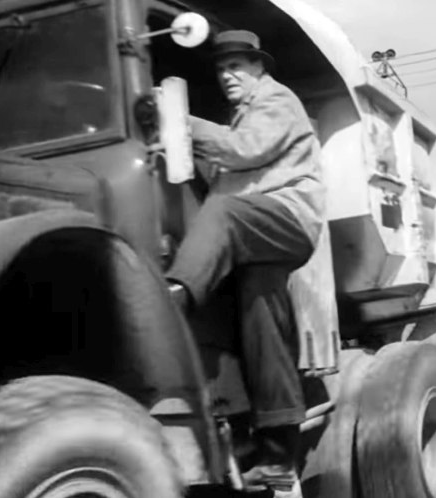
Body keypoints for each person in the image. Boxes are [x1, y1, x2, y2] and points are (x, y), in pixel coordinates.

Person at [165, 30, 324, 494]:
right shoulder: (238, 117)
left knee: (223, 213)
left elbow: (244, 150)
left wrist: (178, 120)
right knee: (262, 324)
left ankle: (173, 301)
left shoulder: (277, 100)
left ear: (258, 68)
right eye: (221, 68)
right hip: (259, 237)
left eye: (237, 66)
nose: (227, 75)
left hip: (288, 219)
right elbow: (227, 165)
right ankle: (276, 459)